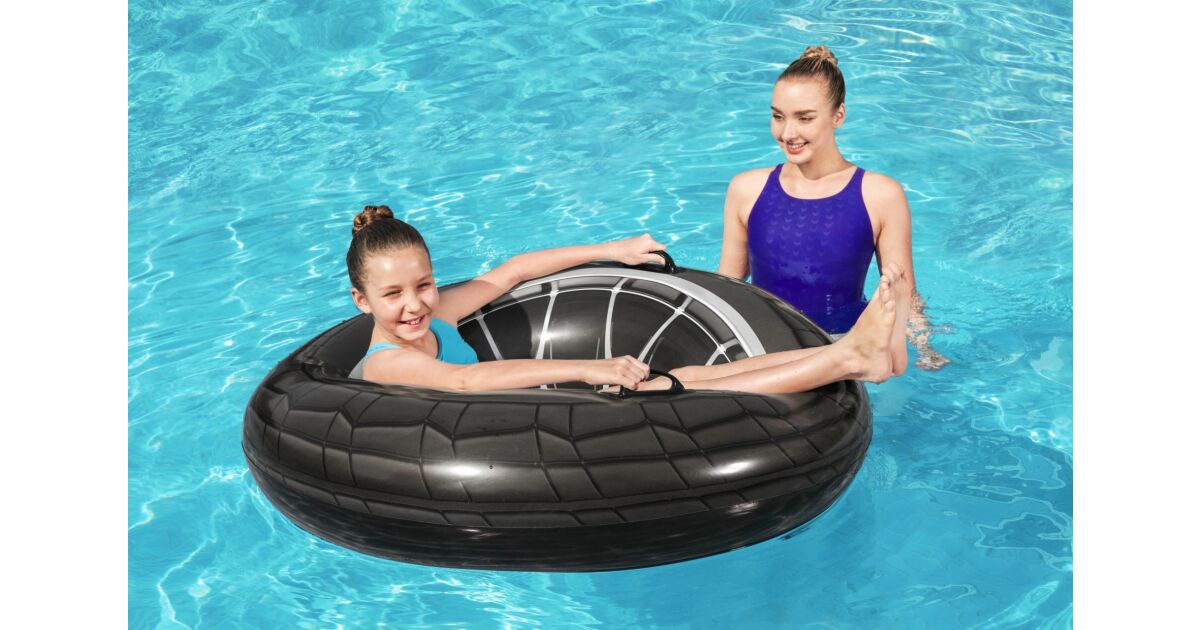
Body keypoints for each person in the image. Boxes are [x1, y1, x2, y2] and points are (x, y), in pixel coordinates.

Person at [345, 205, 908, 393]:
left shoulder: (435, 316)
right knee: (680, 388)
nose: (415, 305)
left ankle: (846, 354)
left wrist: (613, 250)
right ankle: (847, 359)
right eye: (392, 294)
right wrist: (588, 368)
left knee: (685, 376)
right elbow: (466, 382)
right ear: (361, 301)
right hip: (495, 446)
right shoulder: (388, 361)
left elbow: (512, 271)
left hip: (522, 414)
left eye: (423, 285)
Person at [716, 45, 949, 371]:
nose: (788, 133)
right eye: (778, 116)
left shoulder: (880, 195)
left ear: (838, 116)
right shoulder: (746, 189)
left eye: (805, 118)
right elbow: (727, 288)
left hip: (842, 351)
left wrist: (925, 347)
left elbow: (903, 292)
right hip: (761, 348)